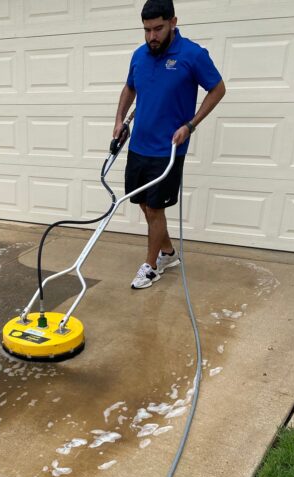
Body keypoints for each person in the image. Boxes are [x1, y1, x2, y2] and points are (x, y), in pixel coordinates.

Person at [113, 0, 225, 289]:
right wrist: (119, 122)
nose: (152, 36)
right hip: (139, 145)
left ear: (173, 22)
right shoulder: (139, 55)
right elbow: (130, 87)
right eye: (147, 30)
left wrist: (191, 124)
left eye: (158, 28)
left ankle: (151, 266)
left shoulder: (192, 55)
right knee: (141, 203)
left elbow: (218, 88)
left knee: (155, 209)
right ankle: (168, 253)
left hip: (169, 149)